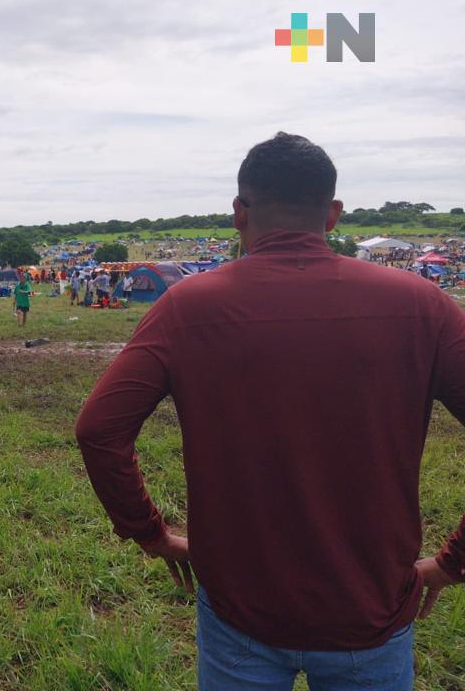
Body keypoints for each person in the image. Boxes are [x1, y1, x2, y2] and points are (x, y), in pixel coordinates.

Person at [75, 132, 465, 691]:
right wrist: (453, 563)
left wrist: (150, 533)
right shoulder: (424, 305)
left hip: (240, 608)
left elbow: (98, 430)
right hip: (372, 608)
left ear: (238, 213)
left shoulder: (188, 306)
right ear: (333, 214)